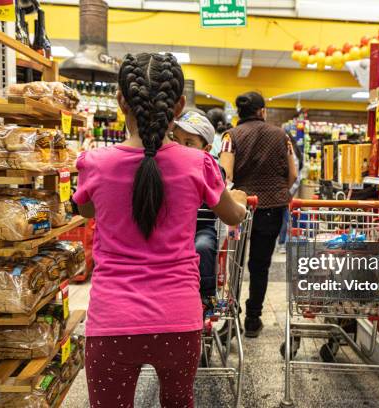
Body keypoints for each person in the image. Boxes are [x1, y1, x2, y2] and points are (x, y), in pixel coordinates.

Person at [73, 52, 248, 408]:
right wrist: (241, 200)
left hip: (111, 321)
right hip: (178, 320)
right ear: (179, 105)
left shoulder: (95, 164)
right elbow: (233, 216)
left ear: (121, 101)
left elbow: (87, 208)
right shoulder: (199, 163)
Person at [219, 91, 297, 338]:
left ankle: (232, 316)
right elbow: (293, 174)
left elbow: (226, 175)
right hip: (272, 207)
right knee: (260, 265)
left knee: (236, 262)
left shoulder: (231, 136)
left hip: (240, 209)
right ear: (262, 111)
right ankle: (254, 319)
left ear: (239, 113)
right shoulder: (281, 135)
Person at [172, 110, 223, 306]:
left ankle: (205, 293)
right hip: (173, 228)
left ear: (207, 149)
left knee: (203, 245)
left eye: (189, 143)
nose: (180, 148)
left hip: (201, 226)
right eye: (176, 140)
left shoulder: (211, 168)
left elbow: (221, 183)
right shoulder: (165, 165)